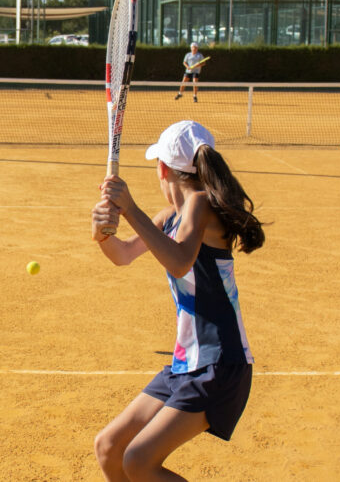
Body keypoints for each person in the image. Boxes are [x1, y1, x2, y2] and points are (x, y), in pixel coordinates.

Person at [90, 120, 265, 481]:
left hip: (220, 362)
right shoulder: (169, 217)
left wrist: (130, 210)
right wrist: (102, 235)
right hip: (188, 362)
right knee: (109, 447)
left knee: (138, 460)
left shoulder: (201, 204)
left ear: (162, 168)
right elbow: (123, 255)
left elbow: (180, 258)